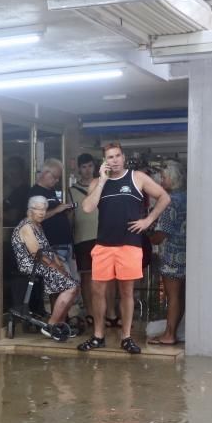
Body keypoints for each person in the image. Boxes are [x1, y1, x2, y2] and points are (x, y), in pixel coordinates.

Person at [76, 142, 170, 354]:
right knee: (97, 291)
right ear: (105, 161)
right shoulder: (97, 182)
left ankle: (126, 337)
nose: (115, 160)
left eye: (117, 155)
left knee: (126, 292)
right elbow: (88, 208)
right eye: (110, 157)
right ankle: (98, 336)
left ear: (123, 157)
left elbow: (165, 197)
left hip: (129, 245)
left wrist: (148, 220)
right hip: (103, 245)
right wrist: (101, 180)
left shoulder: (137, 177)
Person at [12, 195, 79, 336]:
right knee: (71, 287)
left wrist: (60, 265)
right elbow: (37, 254)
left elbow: (48, 249)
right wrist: (55, 267)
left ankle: (59, 324)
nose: (42, 213)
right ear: (30, 210)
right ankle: (51, 325)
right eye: (38, 210)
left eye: (44, 209)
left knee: (73, 285)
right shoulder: (26, 227)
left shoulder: (37, 225)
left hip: (43, 265)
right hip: (32, 266)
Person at [71, 153, 118, 328]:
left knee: (109, 277)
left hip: (104, 236)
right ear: (78, 169)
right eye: (83, 167)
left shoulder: (104, 184)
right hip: (82, 237)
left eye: (90, 166)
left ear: (95, 166)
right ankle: (91, 313)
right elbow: (70, 216)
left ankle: (111, 313)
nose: (87, 170)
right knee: (87, 277)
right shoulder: (71, 190)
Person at [147, 160, 187, 346]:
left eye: (163, 177)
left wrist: (146, 235)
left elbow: (161, 234)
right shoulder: (188, 197)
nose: (161, 181)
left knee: (173, 296)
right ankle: (174, 332)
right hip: (187, 253)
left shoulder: (170, 202)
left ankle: (169, 334)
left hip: (173, 255)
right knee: (181, 296)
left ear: (172, 178)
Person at [27, 158, 75, 267]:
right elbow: (34, 218)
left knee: (73, 281)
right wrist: (57, 210)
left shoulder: (51, 190)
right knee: (62, 282)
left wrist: (66, 211)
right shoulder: (35, 192)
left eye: (58, 177)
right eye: (55, 177)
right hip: (52, 246)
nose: (57, 180)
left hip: (65, 243)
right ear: (45, 173)